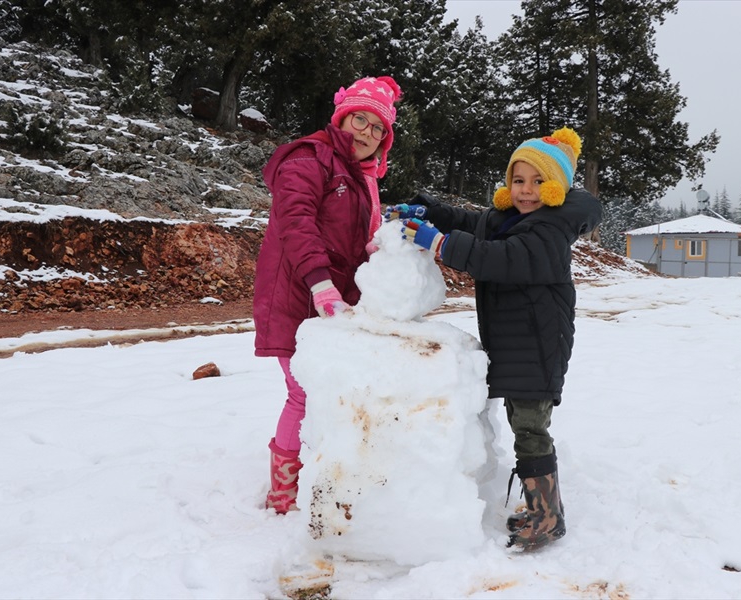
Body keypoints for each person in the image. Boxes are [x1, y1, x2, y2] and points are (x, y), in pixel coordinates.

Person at [386, 127, 602, 551]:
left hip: (540, 344)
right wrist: (430, 212)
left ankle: (547, 516)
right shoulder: (511, 218)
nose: (526, 190)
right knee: (523, 421)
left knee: (529, 426)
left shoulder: (549, 232)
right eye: (518, 180)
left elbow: (501, 258)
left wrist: (441, 244)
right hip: (518, 342)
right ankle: (542, 507)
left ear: (557, 186)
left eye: (539, 182)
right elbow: (474, 222)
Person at [253, 75, 402, 514]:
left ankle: (325, 472)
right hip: (299, 296)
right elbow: (296, 222)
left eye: (380, 130)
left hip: (335, 302)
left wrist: (383, 248)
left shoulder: (361, 177)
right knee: (302, 393)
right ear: (342, 117)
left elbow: (353, 241)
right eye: (361, 119)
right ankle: (282, 493)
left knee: (330, 392)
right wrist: (321, 285)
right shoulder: (309, 158)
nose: (368, 134)